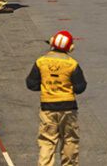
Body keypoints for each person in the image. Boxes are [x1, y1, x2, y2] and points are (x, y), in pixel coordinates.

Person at [27, 31, 86, 166]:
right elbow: (80, 88)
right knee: (70, 140)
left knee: (47, 141)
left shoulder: (41, 62)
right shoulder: (72, 64)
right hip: (68, 108)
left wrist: (47, 86)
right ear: (70, 48)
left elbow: (31, 84)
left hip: (48, 108)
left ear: (52, 43)